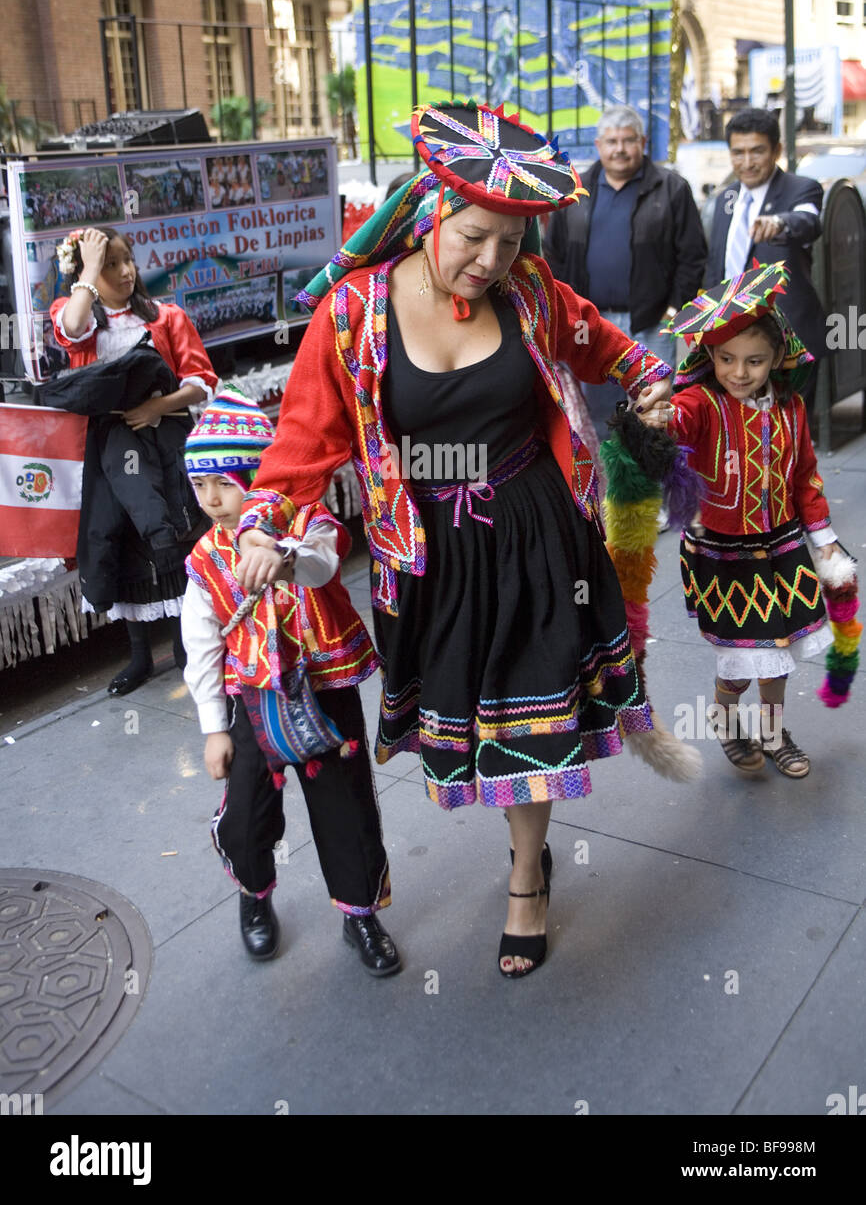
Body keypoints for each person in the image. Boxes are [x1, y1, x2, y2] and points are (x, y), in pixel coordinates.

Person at [232, 100, 688, 980]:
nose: (489, 262)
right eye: (475, 237)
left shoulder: (531, 293)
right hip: (430, 554)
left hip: (536, 529)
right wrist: (262, 524)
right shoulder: (353, 314)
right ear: (434, 212)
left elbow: (605, 346)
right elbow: (303, 441)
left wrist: (651, 382)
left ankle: (527, 878)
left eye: (511, 245)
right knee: (477, 728)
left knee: (539, 711)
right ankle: (525, 847)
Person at [181, 389, 399, 973]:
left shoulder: (308, 520)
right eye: (200, 486)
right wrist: (212, 729)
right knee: (248, 807)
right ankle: (255, 898)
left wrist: (284, 553)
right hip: (253, 701)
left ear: (260, 472)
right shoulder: (205, 560)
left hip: (324, 688)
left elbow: (326, 562)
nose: (213, 500)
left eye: (226, 482)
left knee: (344, 804)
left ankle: (360, 914)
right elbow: (201, 644)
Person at [639, 264, 848, 779]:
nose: (739, 371)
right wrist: (660, 414)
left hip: (784, 548)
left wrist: (824, 542)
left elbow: (805, 479)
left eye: (754, 360)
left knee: (779, 657)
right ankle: (726, 716)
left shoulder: (792, 408)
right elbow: (678, 419)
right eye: (726, 358)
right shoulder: (701, 404)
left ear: (778, 356)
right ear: (709, 355)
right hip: (723, 556)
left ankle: (774, 732)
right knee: (742, 662)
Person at [49, 226, 216, 696]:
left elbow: (202, 380)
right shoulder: (75, 316)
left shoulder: (167, 317)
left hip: (166, 446)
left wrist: (154, 408)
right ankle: (140, 656)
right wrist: (87, 268)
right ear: (87, 274)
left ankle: (190, 650)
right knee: (121, 540)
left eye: (128, 261)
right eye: (111, 265)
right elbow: (72, 327)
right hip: (110, 452)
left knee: (175, 537)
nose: (126, 273)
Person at [543, 104, 706, 439]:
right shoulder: (575, 192)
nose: (620, 149)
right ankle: (609, 485)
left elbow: (692, 254)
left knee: (653, 413)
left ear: (643, 142)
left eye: (628, 140)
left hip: (650, 321)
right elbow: (553, 255)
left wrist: (675, 309)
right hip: (591, 324)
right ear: (599, 145)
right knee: (601, 415)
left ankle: (655, 486)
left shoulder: (671, 188)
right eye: (612, 141)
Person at [706, 107, 824, 409]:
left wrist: (780, 223)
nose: (746, 163)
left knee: (790, 434)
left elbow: (808, 220)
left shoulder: (802, 189)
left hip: (788, 340)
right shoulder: (725, 198)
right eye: (738, 152)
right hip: (733, 341)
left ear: (777, 150)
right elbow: (717, 265)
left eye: (757, 151)